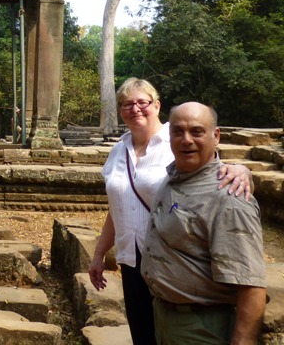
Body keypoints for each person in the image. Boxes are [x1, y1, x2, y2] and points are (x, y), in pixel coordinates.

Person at [88, 78, 253, 345]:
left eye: (143, 102)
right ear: (120, 110)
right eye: (127, 104)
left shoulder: (176, 141)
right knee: (142, 334)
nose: (135, 109)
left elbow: (214, 174)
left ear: (157, 105)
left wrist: (243, 170)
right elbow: (117, 207)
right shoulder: (118, 151)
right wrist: (98, 254)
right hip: (132, 260)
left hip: (172, 261)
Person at [141, 102, 266, 345]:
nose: (186, 140)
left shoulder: (228, 198)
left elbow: (251, 284)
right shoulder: (174, 177)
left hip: (203, 326)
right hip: (165, 316)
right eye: (178, 131)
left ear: (215, 136)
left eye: (197, 131)